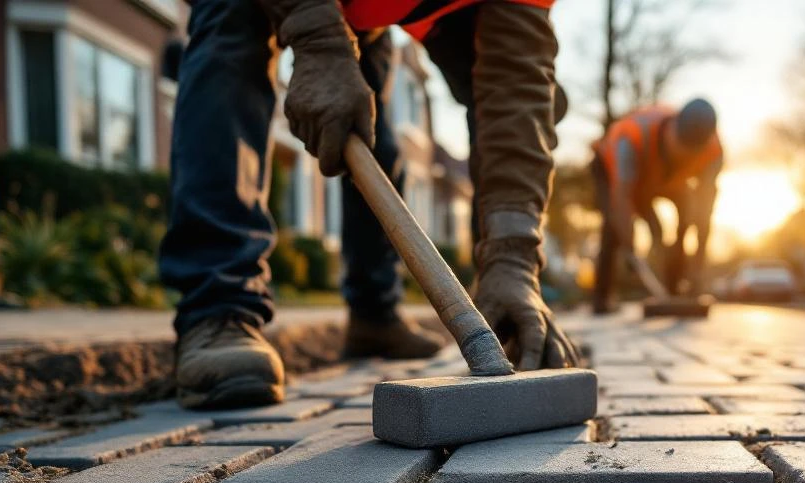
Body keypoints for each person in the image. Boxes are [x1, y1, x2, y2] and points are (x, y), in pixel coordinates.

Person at [160, 0, 578, 409]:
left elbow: (516, 87)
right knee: (229, 39)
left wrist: (513, 260)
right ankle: (218, 309)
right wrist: (317, 38)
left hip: (366, 12)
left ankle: (374, 314)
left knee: (374, 138)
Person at [590, 99, 723, 313]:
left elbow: (704, 211)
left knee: (687, 218)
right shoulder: (632, 139)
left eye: (694, 151)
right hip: (611, 168)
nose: (687, 155)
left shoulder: (712, 151)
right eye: (683, 146)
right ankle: (602, 298)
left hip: (667, 176)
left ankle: (676, 288)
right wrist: (631, 249)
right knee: (613, 227)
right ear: (672, 129)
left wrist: (698, 266)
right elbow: (622, 198)